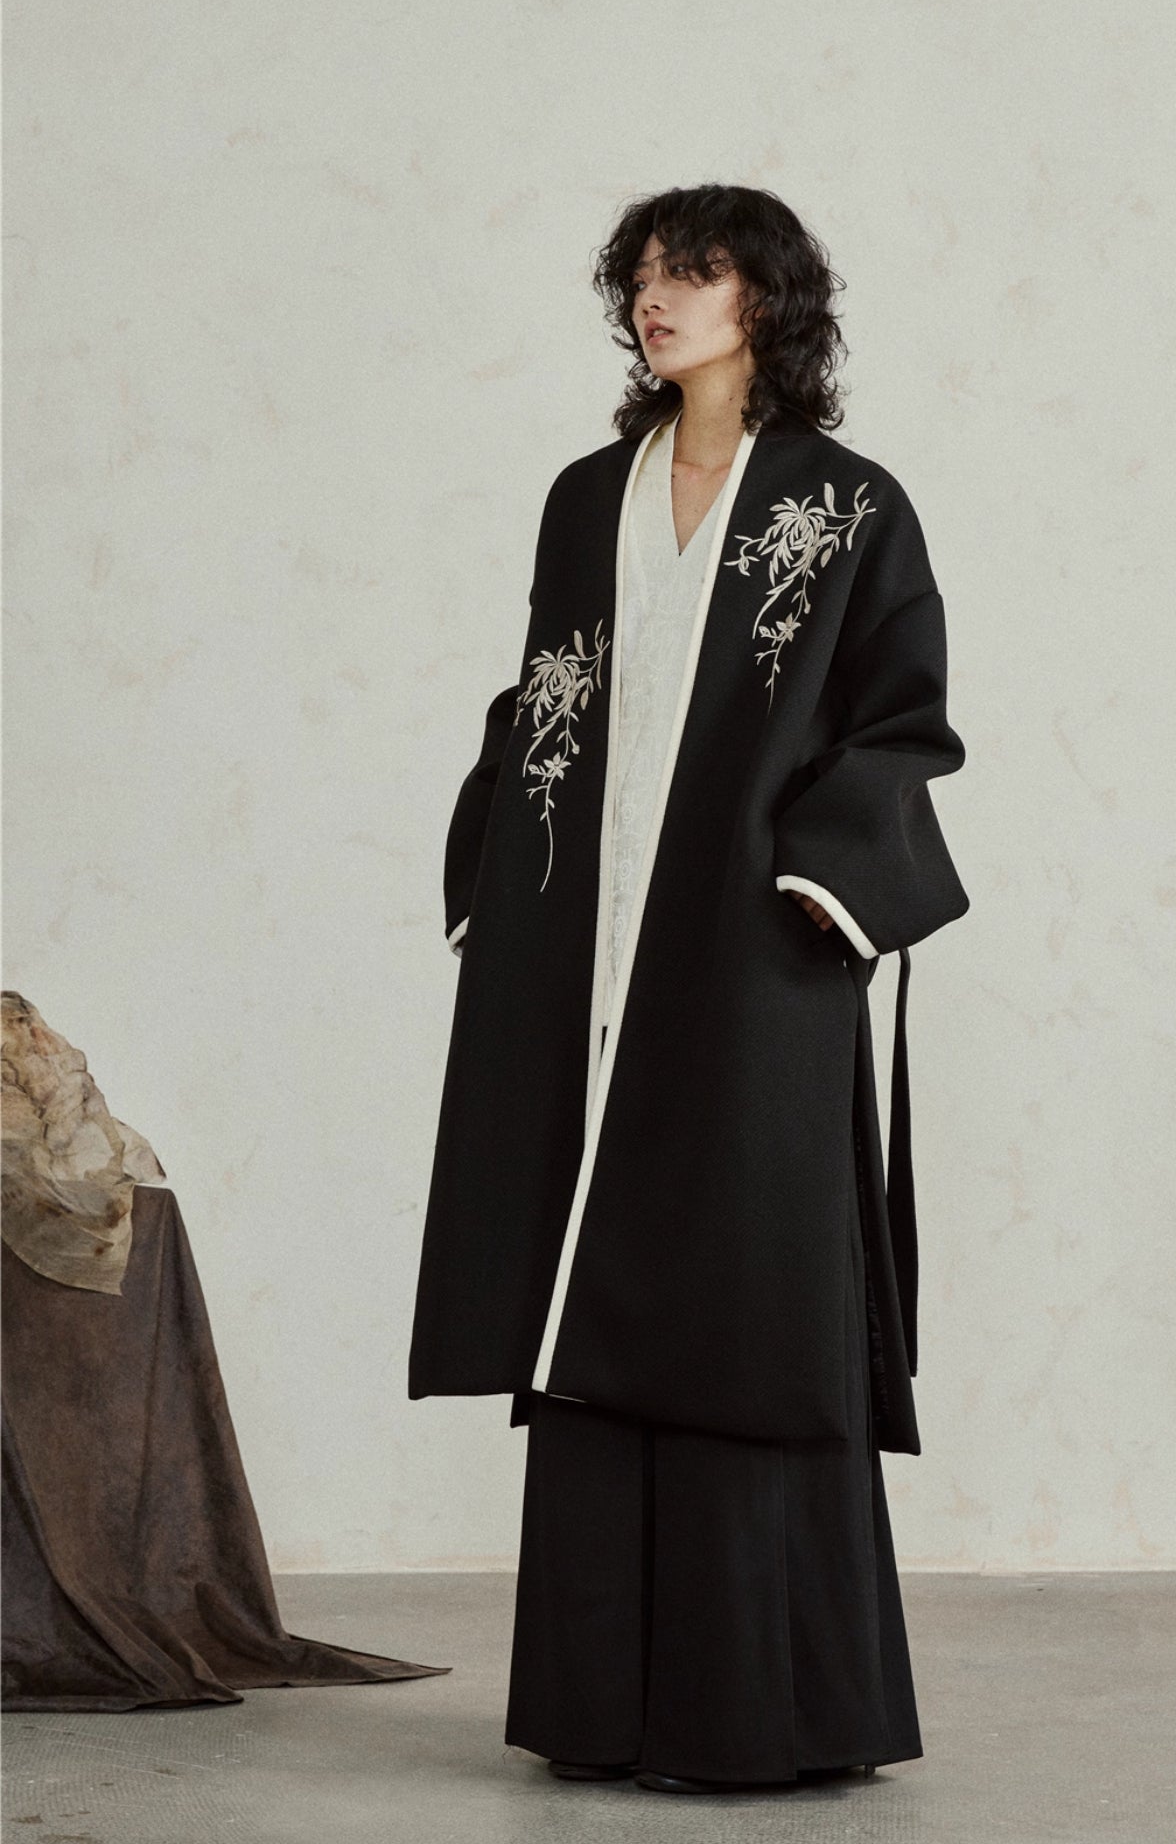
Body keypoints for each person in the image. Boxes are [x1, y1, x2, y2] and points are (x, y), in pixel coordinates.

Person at [408, 183, 971, 1793]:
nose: (656, 296)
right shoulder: (589, 496)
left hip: (757, 947)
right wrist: (498, 881)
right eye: (642, 274)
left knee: (745, 1283)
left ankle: (763, 1709)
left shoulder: (847, 506)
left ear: (764, 301)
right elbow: (546, 695)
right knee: (591, 1259)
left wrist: (823, 887)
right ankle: (603, 1707)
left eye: (693, 272)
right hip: (587, 948)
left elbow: (901, 717)